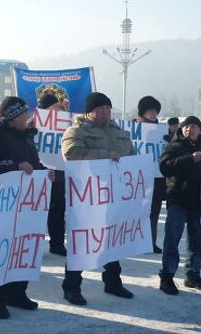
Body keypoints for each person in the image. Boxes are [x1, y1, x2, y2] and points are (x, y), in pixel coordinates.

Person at [61, 92, 135, 306]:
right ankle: (72, 287)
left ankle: (113, 282)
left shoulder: (119, 131)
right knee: (82, 241)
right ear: (89, 111)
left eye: (107, 108)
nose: (105, 111)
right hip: (87, 197)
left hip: (114, 196)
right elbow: (71, 153)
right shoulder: (76, 130)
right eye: (99, 108)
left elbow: (132, 155)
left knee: (113, 239)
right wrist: (104, 154)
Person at [0, 96, 53, 319]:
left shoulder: (27, 136)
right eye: (23, 114)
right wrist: (15, 166)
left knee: (23, 246)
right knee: (1, 251)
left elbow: (32, 162)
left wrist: (44, 172)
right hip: (1, 203)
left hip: (25, 204)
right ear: (12, 117)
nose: (27, 117)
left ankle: (17, 292)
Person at [158, 116, 201, 295]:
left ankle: (193, 275)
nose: (190, 129)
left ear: (200, 130)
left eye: (194, 126)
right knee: (172, 240)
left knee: (197, 241)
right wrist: (190, 159)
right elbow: (164, 167)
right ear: (181, 129)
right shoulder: (173, 147)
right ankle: (167, 277)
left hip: (199, 200)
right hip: (178, 199)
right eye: (187, 126)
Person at [38, 93, 67, 256]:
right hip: (39, 173)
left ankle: (57, 244)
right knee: (38, 211)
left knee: (58, 210)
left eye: (58, 107)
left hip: (58, 174)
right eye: (53, 107)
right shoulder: (32, 124)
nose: (57, 110)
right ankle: (34, 246)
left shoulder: (63, 124)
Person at [136, 95, 164, 253]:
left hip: (157, 177)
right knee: (139, 210)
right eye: (150, 110)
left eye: (155, 110)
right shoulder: (133, 128)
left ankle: (150, 242)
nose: (153, 114)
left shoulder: (161, 130)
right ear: (143, 112)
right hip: (139, 176)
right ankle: (136, 241)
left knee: (154, 211)